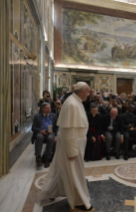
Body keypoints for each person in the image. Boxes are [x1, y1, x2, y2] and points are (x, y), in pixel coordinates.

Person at [37, 82, 94, 212]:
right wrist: (73, 150)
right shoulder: (72, 104)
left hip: (74, 143)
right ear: (81, 92)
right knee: (75, 173)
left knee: (62, 170)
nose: (89, 94)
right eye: (88, 91)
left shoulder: (76, 100)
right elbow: (70, 130)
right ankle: (79, 201)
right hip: (72, 145)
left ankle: (51, 193)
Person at [31, 103, 58, 168]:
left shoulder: (54, 116)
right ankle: (39, 157)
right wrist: (40, 131)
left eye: (49, 108)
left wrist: (56, 136)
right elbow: (33, 128)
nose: (49, 109)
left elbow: (57, 127)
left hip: (51, 132)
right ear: (42, 109)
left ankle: (47, 158)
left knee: (50, 138)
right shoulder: (37, 116)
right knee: (38, 137)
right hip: (41, 132)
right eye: (47, 108)